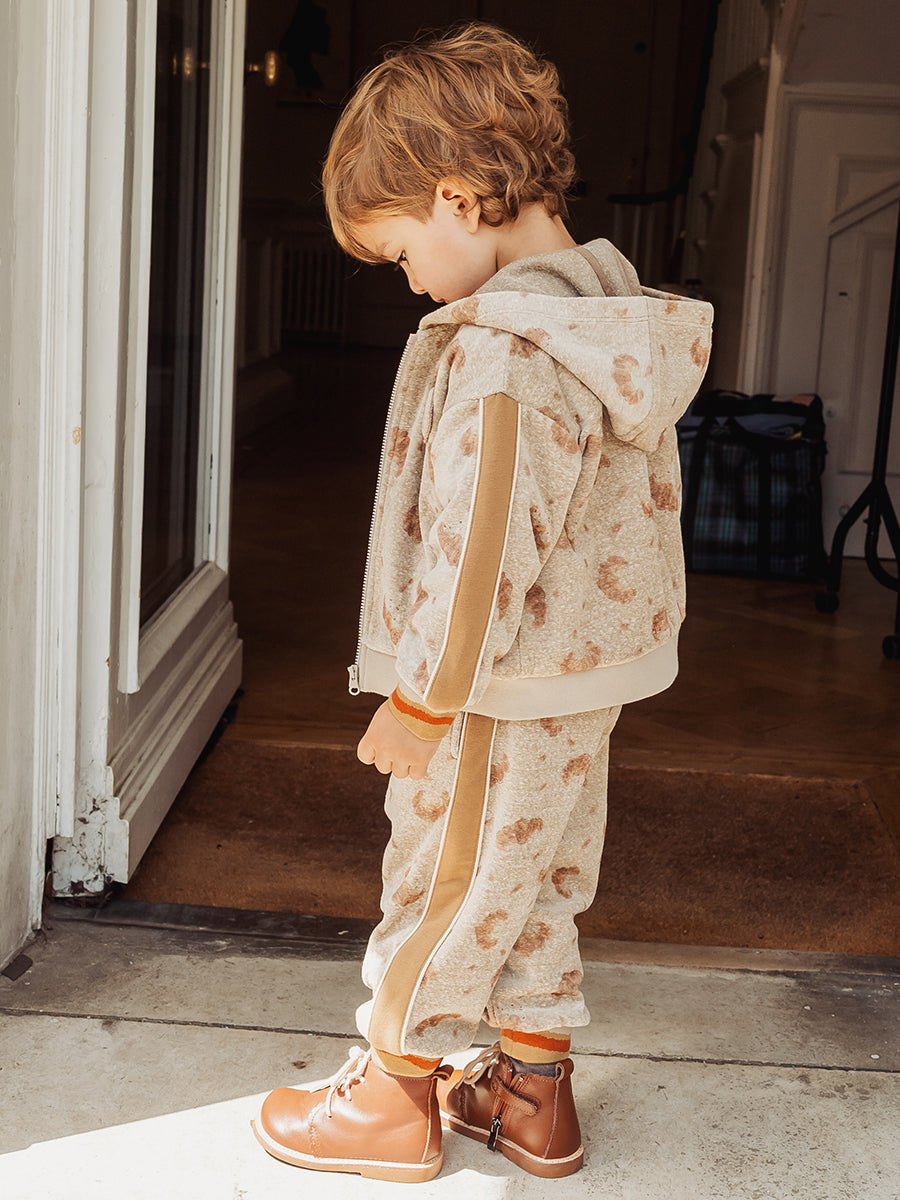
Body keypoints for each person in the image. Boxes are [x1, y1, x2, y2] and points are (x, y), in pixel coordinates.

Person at [252, 21, 713, 1184]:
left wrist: (424, 699)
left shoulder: (509, 354)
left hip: (494, 689)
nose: (407, 279)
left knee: (444, 881)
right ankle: (530, 1092)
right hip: (579, 676)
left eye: (402, 250)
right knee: (540, 874)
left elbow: (482, 551)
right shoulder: (606, 315)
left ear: (457, 200)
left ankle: (391, 1093)